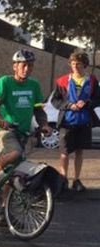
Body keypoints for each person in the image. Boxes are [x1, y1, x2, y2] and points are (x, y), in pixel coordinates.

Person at [0, 49, 52, 226]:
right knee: (14, 153)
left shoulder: (35, 86)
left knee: (13, 173)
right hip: (3, 130)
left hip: (22, 132)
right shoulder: (5, 82)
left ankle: (3, 212)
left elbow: (39, 110)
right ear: (15, 66)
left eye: (30, 65)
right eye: (23, 65)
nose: (27, 68)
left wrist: (44, 125)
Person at [50, 51, 100, 192]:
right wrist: (69, 106)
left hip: (84, 122)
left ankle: (77, 180)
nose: (75, 67)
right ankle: (63, 179)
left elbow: (98, 99)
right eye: (73, 64)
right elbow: (55, 100)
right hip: (67, 123)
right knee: (64, 152)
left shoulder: (92, 81)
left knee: (79, 151)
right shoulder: (62, 81)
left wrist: (87, 103)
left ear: (85, 65)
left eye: (78, 64)